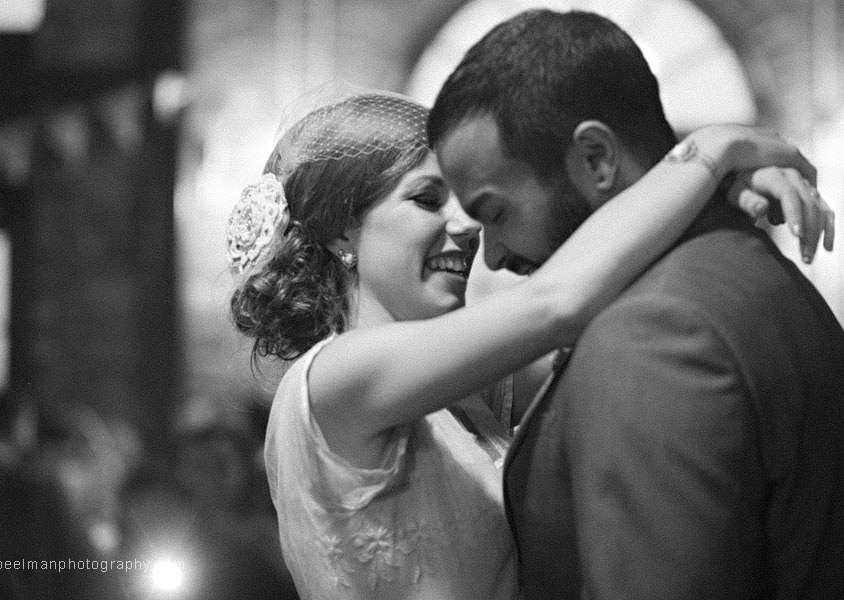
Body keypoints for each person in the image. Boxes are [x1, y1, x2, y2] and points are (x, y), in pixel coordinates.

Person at [227, 91, 828, 600]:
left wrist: (719, 198)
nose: (466, 224)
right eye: (427, 199)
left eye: (467, 199)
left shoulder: (459, 396)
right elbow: (561, 299)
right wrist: (712, 151)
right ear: (339, 231)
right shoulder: (336, 376)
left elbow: (611, 289)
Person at [427, 9, 843, 599]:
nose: (490, 257)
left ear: (596, 158)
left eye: (496, 213)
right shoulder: (737, 263)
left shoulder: (651, 337)